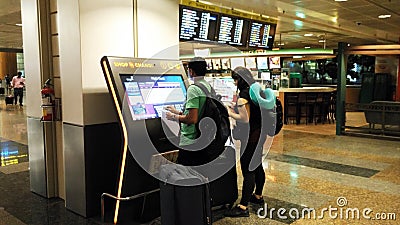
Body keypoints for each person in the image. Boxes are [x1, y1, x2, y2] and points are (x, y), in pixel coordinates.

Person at [224, 66, 267, 217]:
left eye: (235, 79)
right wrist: (235, 108)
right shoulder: (255, 90)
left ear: (240, 79)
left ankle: (243, 207)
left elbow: (245, 118)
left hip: (250, 137)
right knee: (257, 165)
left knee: (248, 170)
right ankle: (258, 196)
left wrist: (229, 112)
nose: (235, 83)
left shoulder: (244, 93)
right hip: (259, 133)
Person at [164, 57, 213, 166]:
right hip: (203, 137)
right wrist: (177, 112)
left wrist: (173, 117)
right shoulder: (207, 86)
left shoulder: (193, 89)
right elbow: (199, 111)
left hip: (190, 140)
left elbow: (192, 118)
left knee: (186, 173)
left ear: (191, 71)